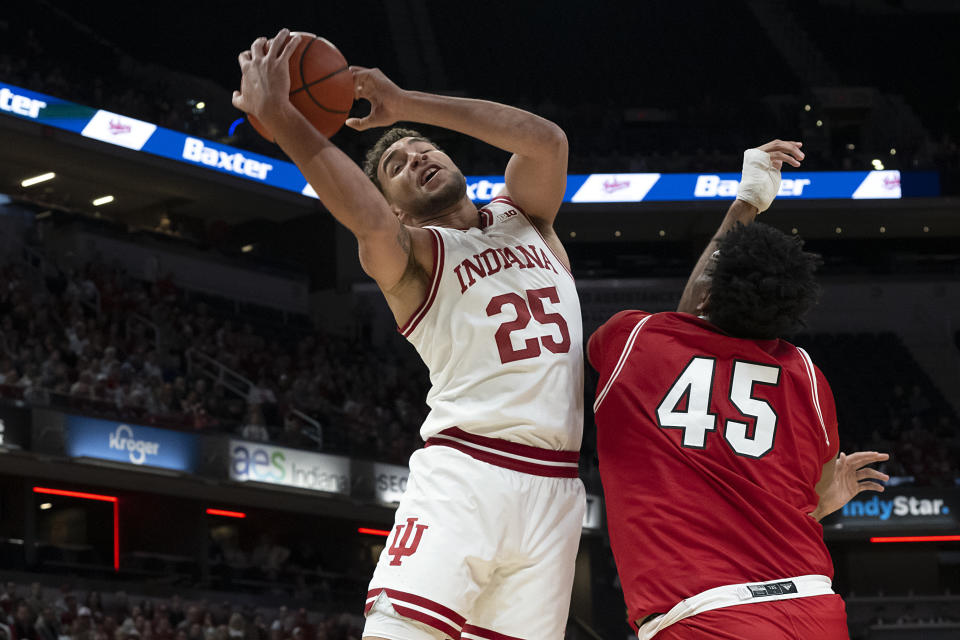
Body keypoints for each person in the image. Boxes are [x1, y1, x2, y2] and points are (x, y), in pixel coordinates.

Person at [233, 29, 585, 640]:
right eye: (395, 166)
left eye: (423, 150)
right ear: (395, 206)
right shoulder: (413, 256)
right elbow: (364, 218)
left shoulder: (527, 218)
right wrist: (287, 119)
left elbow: (547, 141)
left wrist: (405, 107)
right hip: (467, 473)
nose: (416, 158)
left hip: (557, 489)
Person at [588, 141, 890, 639]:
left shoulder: (636, 338)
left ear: (712, 289)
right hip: (814, 604)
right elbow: (809, 493)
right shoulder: (806, 372)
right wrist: (820, 503)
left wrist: (746, 201)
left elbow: (687, 316)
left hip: (705, 613)